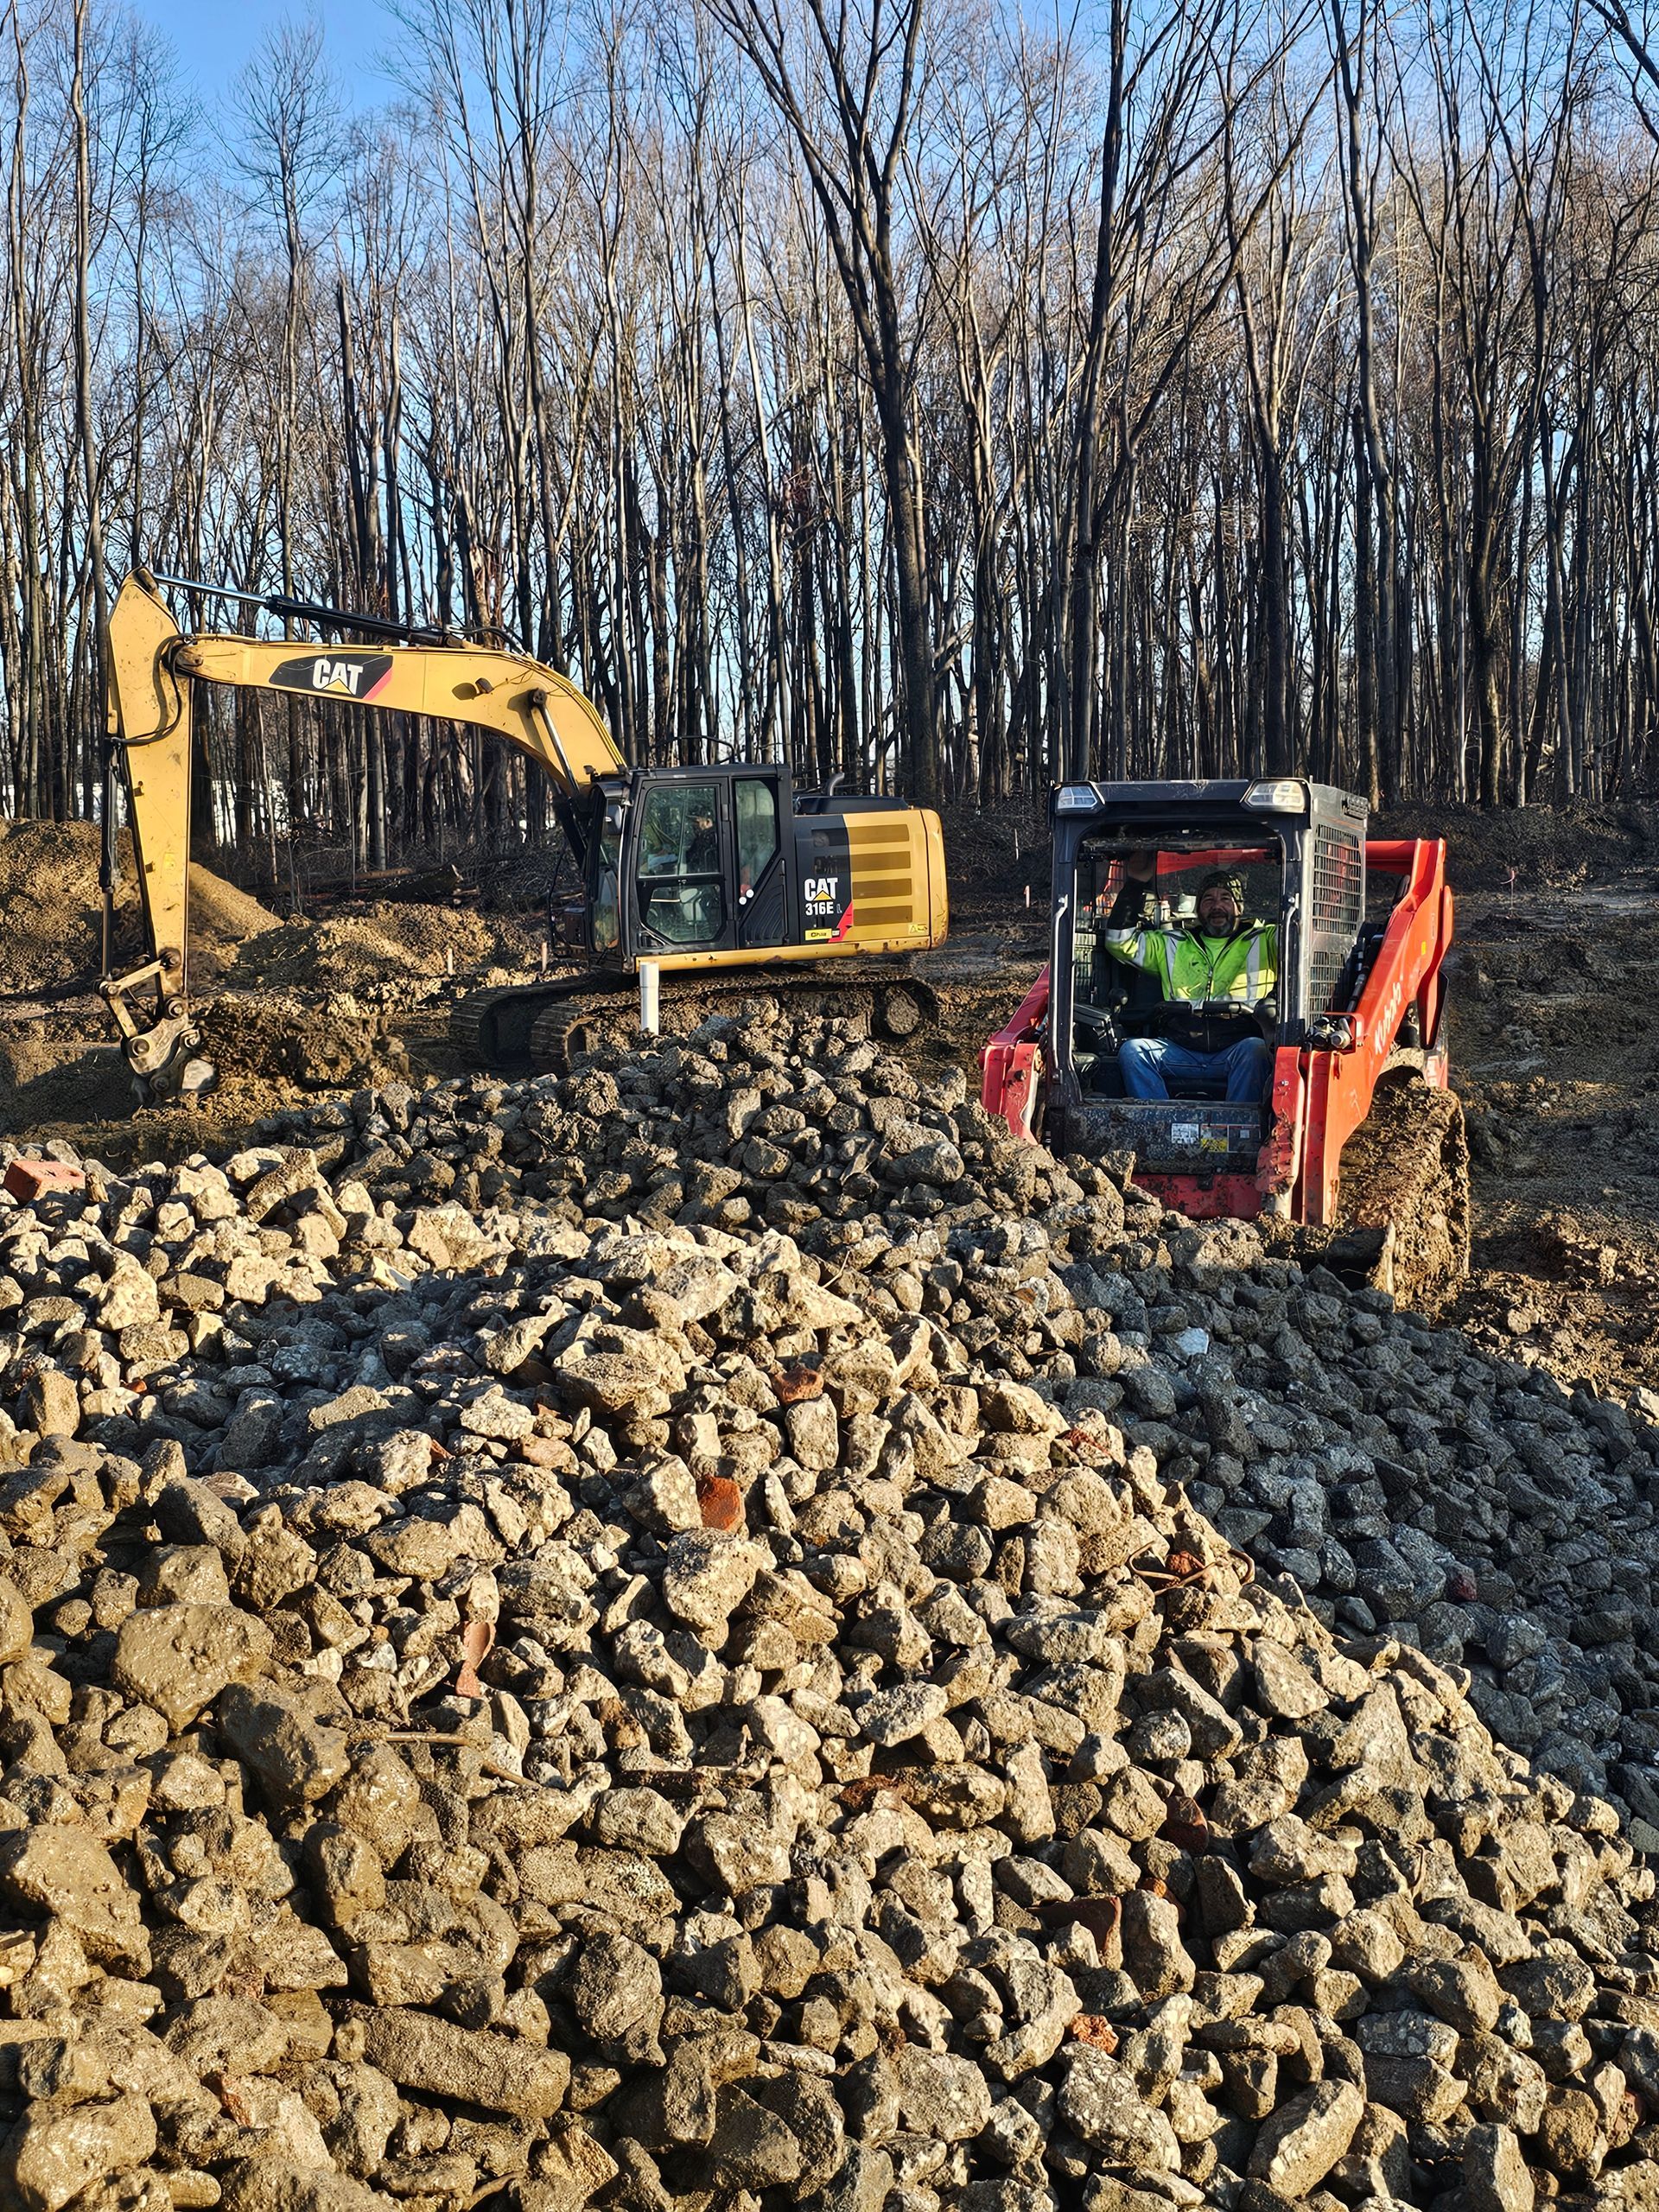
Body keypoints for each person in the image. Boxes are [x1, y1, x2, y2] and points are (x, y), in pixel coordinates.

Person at [1101, 851, 1277, 1102]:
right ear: (1198, 909)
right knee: (1133, 1050)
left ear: (1240, 906)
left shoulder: (1265, 940)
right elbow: (1119, 942)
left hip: (1235, 1048)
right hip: (1180, 1049)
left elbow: (1299, 941)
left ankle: (1237, 1127)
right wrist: (1136, 883)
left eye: (1226, 898)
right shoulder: (1173, 943)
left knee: (1256, 1049)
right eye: (1208, 900)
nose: (1217, 906)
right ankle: (1159, 1124)